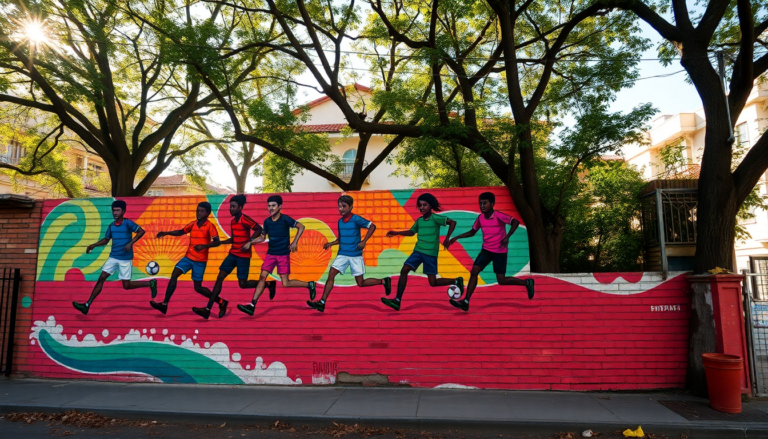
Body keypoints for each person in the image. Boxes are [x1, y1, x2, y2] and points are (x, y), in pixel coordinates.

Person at [191, 194, 276, 319]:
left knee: (242, 284)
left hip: (243, 256)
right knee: (220, 277)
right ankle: (208, 309)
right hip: (232, 254)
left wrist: (250, 242)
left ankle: (268, 284)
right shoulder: (233, 222)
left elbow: (258, 229)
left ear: (240, 207)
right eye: (230, 207)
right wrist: (218, 243)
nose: (231, 209)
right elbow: (235, 239)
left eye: (233, 207)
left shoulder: (244, 219)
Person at [447, 192, 534, 311]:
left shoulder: (498, 215)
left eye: (485, 203)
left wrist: (507, 236)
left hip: (500, 251)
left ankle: (527, 283)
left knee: (501, 280)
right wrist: (457, 237)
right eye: (480, 203)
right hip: (486, 250)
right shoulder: (480, 218)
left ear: (492, 204)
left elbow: (515, 222)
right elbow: (473, 232)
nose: (482, 206)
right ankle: (466, 301)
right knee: (474, 271)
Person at [307, 195, 391, 312]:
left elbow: (372, 226)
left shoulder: (356, 219)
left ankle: (383, 281)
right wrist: (330, 244)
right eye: (339, 206)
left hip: (355, 255)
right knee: (331, 275)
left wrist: (364, 241)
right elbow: (341, 239)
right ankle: (322, 302)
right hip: (342, 254)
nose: (341, 209)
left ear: (351, 207)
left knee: (360, 283)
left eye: (344, 206)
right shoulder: (340, 222)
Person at [380, 193, 462, 311]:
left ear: (431, 206)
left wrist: (447, 238)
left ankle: (455, 280)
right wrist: (396, 233)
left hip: (430, 254)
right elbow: (412, 232)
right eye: (420, 205)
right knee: (404, 270)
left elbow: (452, 222)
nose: (422, 207)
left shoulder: (435, 218)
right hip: (418, 251)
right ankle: (397, 300)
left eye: (425, 205)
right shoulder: (419, 221)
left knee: (433, 282)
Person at [73, 200, 157, 315]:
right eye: (114, 211)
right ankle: (87, 305)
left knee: (126, 286)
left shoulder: (128, 223)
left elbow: (141, 231)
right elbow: (106, 240)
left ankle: (150, 283)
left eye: (117, 210)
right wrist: (94, 245)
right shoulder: (112, 226)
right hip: (113, 257)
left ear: (123, 211)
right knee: (101, 278)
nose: (115, 213)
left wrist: (130, 243)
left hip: (125, 259)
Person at [237, 195, 316, 316]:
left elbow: (301, 226)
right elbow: (263, 237)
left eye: (273, 205)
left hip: (283, 255)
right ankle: (252, 305)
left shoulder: (285, 219)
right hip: (271, 254)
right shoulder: (267, 222)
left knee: (286, 283)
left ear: (280, 206)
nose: (271, 208)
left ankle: (309, 284)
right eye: (269, 206)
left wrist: (295, 242)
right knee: (262, 277)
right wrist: (251, 242)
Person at [149, 202, 224, 315]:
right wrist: (166, 233)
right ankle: (164, 304)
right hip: (188, 258)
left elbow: (217, 242)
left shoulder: (210, 226)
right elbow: (181, 231)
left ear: (207, 213)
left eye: (201, 211)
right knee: (174, 274)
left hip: (200, 261)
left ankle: (221, 301)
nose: (198, 213)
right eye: (197, 210)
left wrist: (204, 246)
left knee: (198, 288)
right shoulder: (193, 224)